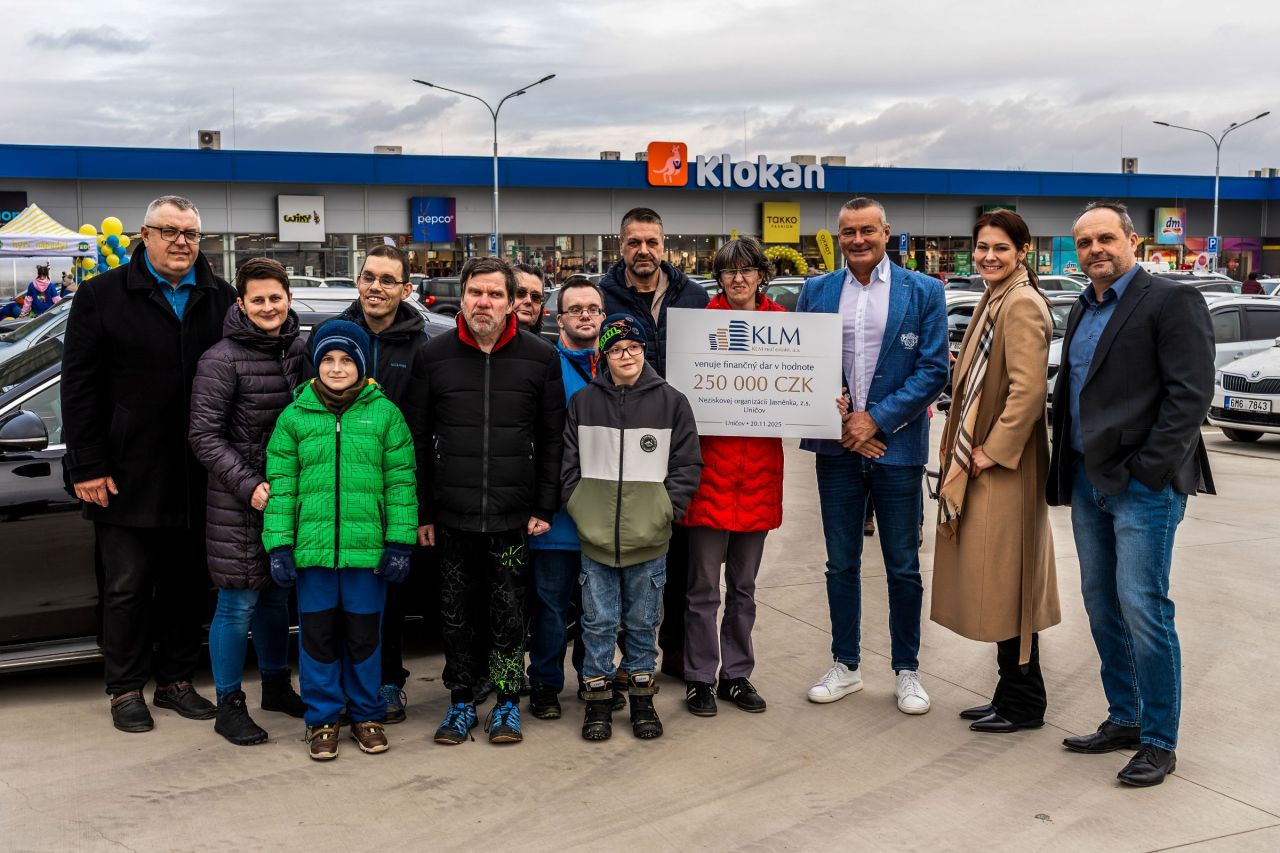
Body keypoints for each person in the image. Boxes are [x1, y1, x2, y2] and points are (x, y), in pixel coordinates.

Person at [1047, 201, 1215, 787]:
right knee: (1101, 604)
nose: (1095, 249)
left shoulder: (1171, 300)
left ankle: (1158, 740)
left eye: (1105, 239)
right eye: (1085, 241)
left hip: (1144, 486)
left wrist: (1148, 470)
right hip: (1085, 477)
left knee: (1144, 607)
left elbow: (1190, 396)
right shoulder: (1081, 307)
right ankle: (1124, 716)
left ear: (1132, 241)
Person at [62, 195, 237, 733]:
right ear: (144, 234)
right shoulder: (101, 296)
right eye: (169, 231)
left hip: (198, 473)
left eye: (191, 233)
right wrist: (87, 464)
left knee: (187, 585)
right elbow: (80, 387)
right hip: (125, 472)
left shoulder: (221, 298)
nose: (181, 242)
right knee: (126, 586)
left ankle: (176, 681)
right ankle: (124, 688)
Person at [796, 196, 948, 715]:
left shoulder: (924, 291)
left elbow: (933, 370)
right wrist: (835, 413)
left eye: (867, 230)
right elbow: (802, 362)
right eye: (847, 232)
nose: (857, 240)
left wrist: (874, 420)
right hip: (835, 447)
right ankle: (847, 664)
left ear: (887, 232)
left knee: (903, 566)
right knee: (841, 562)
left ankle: (907, 670)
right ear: (838, 237)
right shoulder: (816, 291)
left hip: (897, 447)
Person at [410, 256, 565, 746]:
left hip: (511, 517)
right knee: (454, 613)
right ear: (463, 295)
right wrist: (424, 512)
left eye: (495, 294)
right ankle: (459, 702)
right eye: (477, 292)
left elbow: (553, 439)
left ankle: (504, 703)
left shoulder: (540, 357)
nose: (485, 302)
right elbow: (415, 440)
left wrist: (544, 507)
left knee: (507, 613)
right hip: (451, 517)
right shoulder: (432, 357)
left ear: (511, 302)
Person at [262, 321, 418, 760]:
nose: (336, 368)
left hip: (367, 555)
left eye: (346, 359)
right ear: (315, 366)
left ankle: (366, 714)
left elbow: (401, 484)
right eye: (328, 360)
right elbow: (282, 486)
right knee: (318, 640)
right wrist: (279, 545)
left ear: (362, 366)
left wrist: (399, 542)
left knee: (365, 639)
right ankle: (323, 718)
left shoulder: (385, 415)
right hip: (313, 557)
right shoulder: (295, 417)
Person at [931, 210, 1060, 734]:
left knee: (1012, 580)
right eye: (982, 247)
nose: (988, 256)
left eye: (1000, 248)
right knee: (1002, 582)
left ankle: (1026, 703)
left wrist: (989, 451)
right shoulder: (997, 297)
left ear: (1022, 251)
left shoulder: (1022, 303)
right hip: (990, 462)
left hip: (1007, 468)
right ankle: (1009, 693)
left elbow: (1029, 391)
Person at [562, 313, 702, 741]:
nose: (627, 356)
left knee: (643, 624)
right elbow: (569, 465)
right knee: (598, 624)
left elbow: (687, 464)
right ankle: (598, 702)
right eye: (617, 350)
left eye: (634, 348)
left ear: (645, 351)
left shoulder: (671, 402)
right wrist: (580, 507)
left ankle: (642, 699)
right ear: (604, 355)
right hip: (597, 539)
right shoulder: (584, 402)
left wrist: (665, 508)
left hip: (650, 539)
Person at [189, 258, 309, 746]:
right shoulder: (220, 359)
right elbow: (203, 436)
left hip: (289, 499)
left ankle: (277, 686)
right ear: (241, 303)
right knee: (238, 601)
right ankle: (228, 704)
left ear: (287, 299)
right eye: (256, 299)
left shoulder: (303, 350)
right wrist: (249, 485)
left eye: (275, 298)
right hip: (240, 504)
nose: (267, 307)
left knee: (278, 595)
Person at [315, 243, 431, 725]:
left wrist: (422, 508)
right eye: (369, 277)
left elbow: (427, 428)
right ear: (357, 282)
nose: (376, 287)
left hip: (395, 494)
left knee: (390, 596)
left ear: (406, 288)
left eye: (388, 280)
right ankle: (341, 685)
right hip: (339, 490)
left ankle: (388, 681)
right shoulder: (331, 337)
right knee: (337, 600)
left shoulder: (422, 346)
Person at [598, 207, 709, 680]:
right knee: (625, 553)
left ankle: (678, 651)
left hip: (680, 435)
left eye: (652, 242)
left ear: (665, 246)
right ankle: (626, 659)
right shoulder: (603, 296)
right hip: (620, 440)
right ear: (620, 246)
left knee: (680, 553)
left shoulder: (695, 296)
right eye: (634, 242)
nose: (643, 251)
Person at [680, 237, 784, 717]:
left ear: (762, 275)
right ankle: (699, 677)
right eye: (728, 272)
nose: (737, 279)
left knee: (744, 588)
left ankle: (736, 675)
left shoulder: (786, 327)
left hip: (759, 477)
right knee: (702, 590)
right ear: (718, 278)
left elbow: (805, 392)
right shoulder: (697, 328)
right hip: (708, 476)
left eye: (746, 271)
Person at [526, 277, 605, 720]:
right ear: (559, 318)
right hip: (555, 518)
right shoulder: (543, 364)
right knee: (550, 610)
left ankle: (593, 680)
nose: (585, 316)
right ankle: (545, 685)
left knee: (599, 611)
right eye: (575, 309)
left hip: (605, 518)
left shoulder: (619, 362)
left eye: (592, 308)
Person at [513, 261, 548, 335]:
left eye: (536, 297)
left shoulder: (545, 346)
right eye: (520, 293)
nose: (528, 301)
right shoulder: (486, 344)